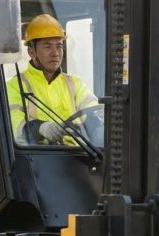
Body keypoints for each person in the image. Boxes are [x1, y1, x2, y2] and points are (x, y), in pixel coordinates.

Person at [6, 14, 98, 144]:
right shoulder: (16, 86)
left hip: (80, 156)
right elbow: (13, 122)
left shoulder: (74, 83)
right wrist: (39, 128)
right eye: (48, 46)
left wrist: (95, 124)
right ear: (31, 52)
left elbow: (95, 111)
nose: (55, 53)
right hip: (37, 159)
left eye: (59, 46)